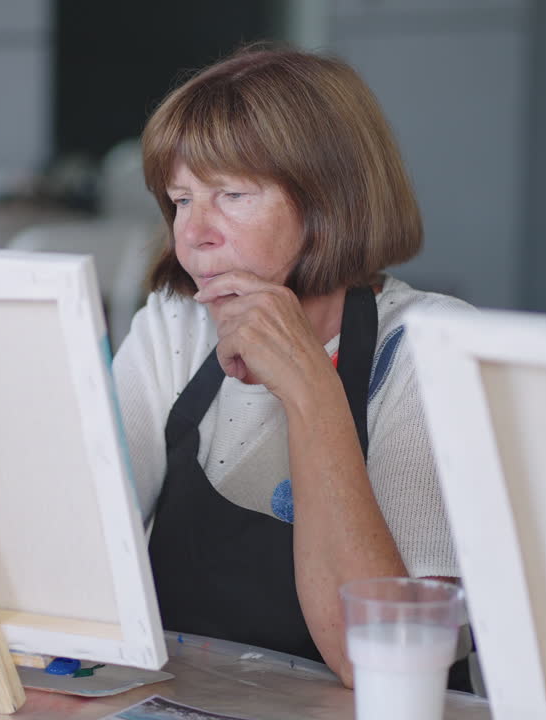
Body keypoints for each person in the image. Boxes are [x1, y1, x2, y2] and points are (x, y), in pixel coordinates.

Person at [111, 46, 474, 688]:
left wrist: (310, 388)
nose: (193, 233)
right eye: (181, 198)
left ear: (328, 200)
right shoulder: (175, 325)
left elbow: (383, 660)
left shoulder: (431, 348)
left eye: (230, 195)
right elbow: (80, 553)